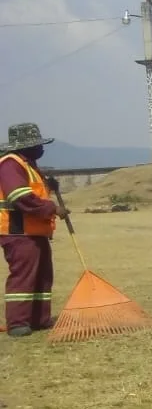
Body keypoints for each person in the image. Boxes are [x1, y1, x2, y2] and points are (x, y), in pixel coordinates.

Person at [0, 123, 71, 337]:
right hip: (18, 230)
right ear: (24, 146)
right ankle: (18, 322)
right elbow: (19, 197)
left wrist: (50, 186)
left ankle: (39, 319)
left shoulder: (28, 164)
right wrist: (53, 208)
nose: (41, 149)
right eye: (37, 145)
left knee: (42, 276)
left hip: (35, 230)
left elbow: (35, 191)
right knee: (24, 276)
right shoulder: (10, 164)